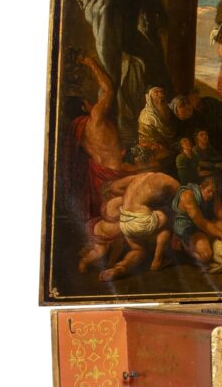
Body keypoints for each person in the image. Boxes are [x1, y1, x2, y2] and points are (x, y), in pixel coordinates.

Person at [75, 0, 170, 135]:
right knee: (111, 76)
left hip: (125, 19)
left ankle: (149, 124)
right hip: (106, 8)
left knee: (152, 59)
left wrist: (162, 14)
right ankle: (108, 133)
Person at [62, 54, 142, 220]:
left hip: (98, 175)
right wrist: (91, 63)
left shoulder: (76, 130)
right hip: (116, 172)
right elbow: (108, 89)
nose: (92, 103)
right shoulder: (95, 119)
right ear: (83, 107)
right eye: (88, 102)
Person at [78, 171, 173, 281]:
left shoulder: (112, 204)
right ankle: (101, 264)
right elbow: (133, 204)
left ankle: (110, 266)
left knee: (107, 251)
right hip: (110, 231)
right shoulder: (117, 201)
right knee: (134, 250)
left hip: (113, 232)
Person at [171, 175, 222, 273]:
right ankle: (182, 243)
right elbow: (201, 223)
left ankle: (209, 239)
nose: (211, 194)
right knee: (206, 255)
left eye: (214, 192)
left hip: (203, 224)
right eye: (209, 191)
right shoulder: (188, 195)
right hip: (187, 227)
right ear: (201, 187)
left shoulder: (213, 195)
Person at [136, 86, 177, 168]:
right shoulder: (145, 117)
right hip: (154, 149)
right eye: (156, 93)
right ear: (149, 98)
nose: (161, 95)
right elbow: (148, 140)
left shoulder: (169, 112)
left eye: (161, 92)